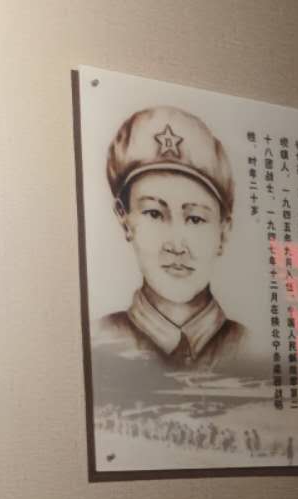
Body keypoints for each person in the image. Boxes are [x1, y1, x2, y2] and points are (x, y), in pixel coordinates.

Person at [92, 106, 249, 386]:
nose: (176, 246)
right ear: (124, 218)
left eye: (195, 219)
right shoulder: (98, 339)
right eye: (154, 214)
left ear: (223, 231)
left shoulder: (252, 347)